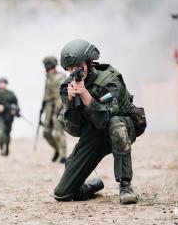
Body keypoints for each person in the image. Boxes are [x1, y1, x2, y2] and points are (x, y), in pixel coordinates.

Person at [53, 39, 146, 204]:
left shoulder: (109, 81)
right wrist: (71, 102)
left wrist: (86, 97)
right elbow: (74, 130)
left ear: (88, 62)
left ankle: (125, 186)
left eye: (79, 66)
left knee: (116, 124)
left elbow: (108, 118)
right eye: (70, 69)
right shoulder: (66, 87)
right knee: (63, 194)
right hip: (94, 131)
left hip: (122, 125)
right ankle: (92, 186)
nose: (75, 72)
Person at [41, 56, 67, 163]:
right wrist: (42, 107)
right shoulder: (48, 77)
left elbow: (60, 95)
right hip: (48, 106)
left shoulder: (59, 77)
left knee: (58, 132)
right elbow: (46, 93)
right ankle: (57, 149)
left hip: (57, 107)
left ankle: (63, 155)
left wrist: (59, 108)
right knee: (46, 132)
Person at [0, 78, 20, 156]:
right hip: (0, 116)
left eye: (4, 83)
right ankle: (2, 147)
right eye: (1, 83)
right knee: (1, 132)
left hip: (9, 116)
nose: (2, 84)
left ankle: (7, 148)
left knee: (7, 132)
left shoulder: (11, 94)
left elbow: (16, 105)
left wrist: (14, 110)